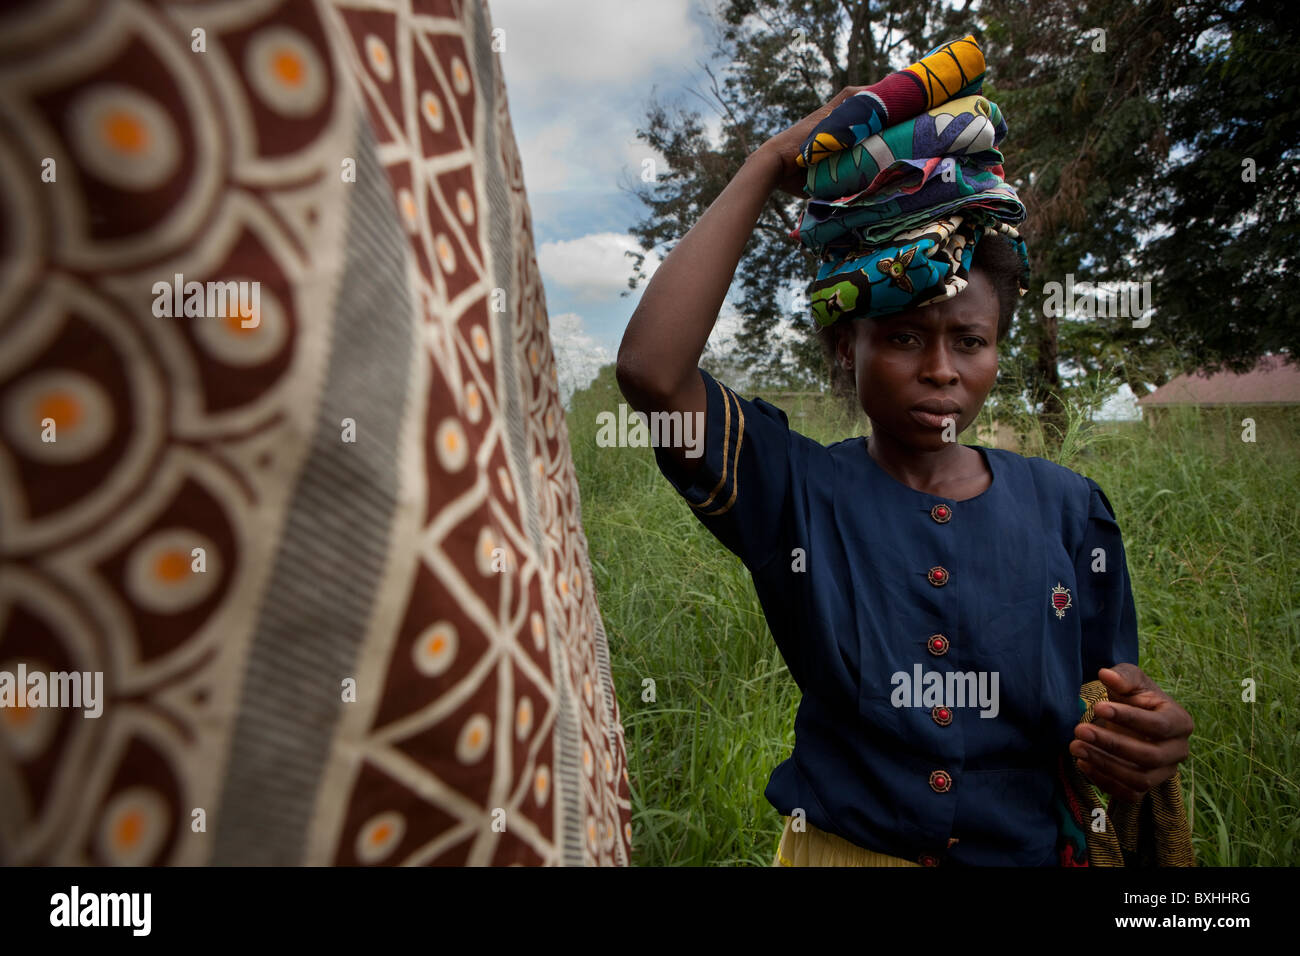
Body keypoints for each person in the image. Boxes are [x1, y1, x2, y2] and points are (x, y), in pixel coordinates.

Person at [615, 83, 1194, 866]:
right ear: (844, 349)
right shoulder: (795, 492)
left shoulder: (1068, 509)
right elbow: (653, 373)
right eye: (902, 338)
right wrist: (764, 165)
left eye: (970, 340)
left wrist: (1146, 738)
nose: (942, 371)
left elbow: (1111, 686)